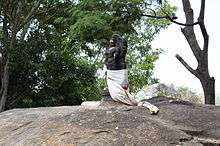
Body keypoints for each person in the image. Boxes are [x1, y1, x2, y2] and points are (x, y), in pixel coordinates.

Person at [104, 34, 159, 114]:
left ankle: (118, 49)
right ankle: (119, 48)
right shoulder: (114, 53)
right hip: (119, 72)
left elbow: (111, 56)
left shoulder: (111, 53)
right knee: (117, 59)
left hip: (117, 73)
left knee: (114, 59)